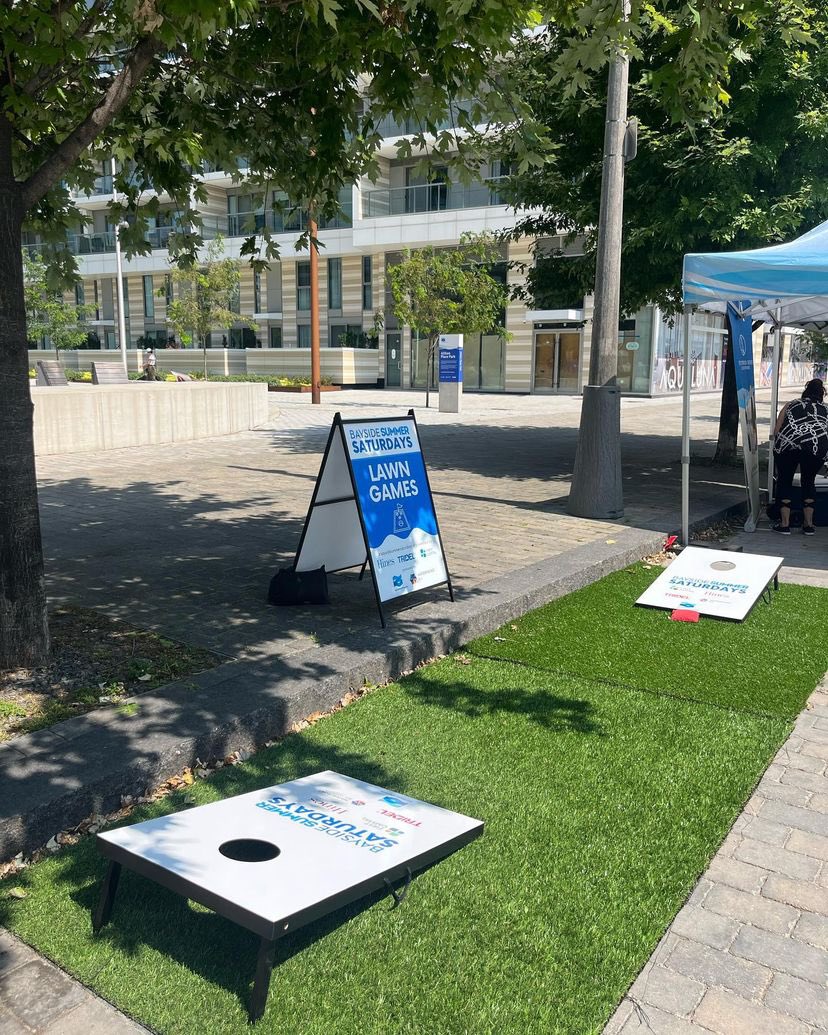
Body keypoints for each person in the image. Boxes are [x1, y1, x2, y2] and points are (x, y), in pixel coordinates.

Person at [772, 378, 828, 535]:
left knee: (784, 480)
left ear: (805, 391)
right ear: (821, 394)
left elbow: (777, 430)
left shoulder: (791, 404)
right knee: (808, 480)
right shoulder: (825, 409)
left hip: (788, 446)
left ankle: (784, 525)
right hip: (817, 448)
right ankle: (809, 525)